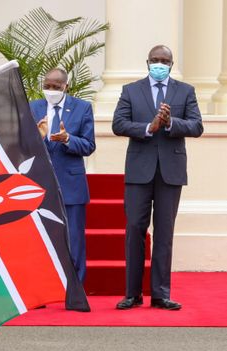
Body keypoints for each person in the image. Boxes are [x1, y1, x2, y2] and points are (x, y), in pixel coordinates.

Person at [112, 45, 203, 311]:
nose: (159, 64)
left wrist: (170, 122)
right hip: (139, 171)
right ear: (147, 62)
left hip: (170, 172)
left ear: (172, 64)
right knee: (135, 231)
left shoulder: (185, 91)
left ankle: (160, 294)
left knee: (164, 233)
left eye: (164, 61)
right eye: (155, 60)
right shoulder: (131, 90)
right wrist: (147, 128)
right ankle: (133, 293)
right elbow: (119, 124)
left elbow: (197, 125)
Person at [30, 68, 96, 285]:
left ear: (66, 86)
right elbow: (21, 147)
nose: (51, 90)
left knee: (74, 239)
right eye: (47, 86)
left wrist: (68, 139)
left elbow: (88, 146)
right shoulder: (33, 107)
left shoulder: (82, 108)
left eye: (56, 87)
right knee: (40, 239)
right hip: (39, 183)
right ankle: (42, 288)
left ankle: (75, 289)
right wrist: (38, 138)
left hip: (71, 184)